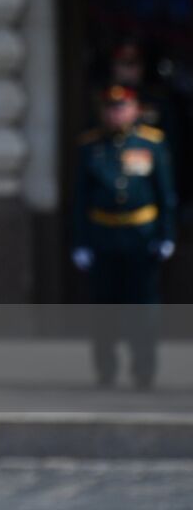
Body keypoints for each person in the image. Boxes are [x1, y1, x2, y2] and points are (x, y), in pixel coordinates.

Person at [72, 85, 179, 389]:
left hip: (140, 239)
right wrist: (80, 242)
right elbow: (80, 199)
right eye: (110, 108)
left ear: (135, 109)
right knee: (103, 311)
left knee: (142, 310)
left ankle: (144, 369)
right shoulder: (90, 146)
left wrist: (166, 235)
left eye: (121, 107)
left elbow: (165, 195)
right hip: (103, 239)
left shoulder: (151, 143)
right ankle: (105, 369)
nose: (115, 113)